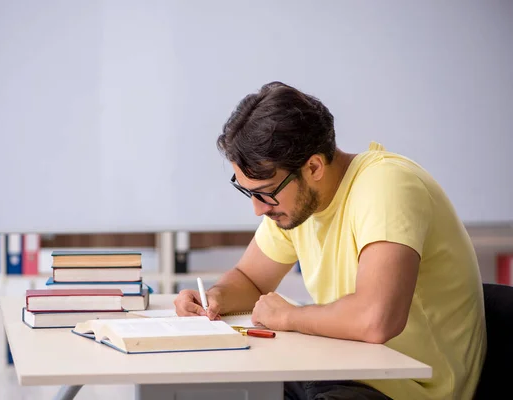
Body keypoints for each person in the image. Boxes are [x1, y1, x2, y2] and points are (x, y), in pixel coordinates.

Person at [173, 81, 486, 400]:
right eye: (248, 191)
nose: (257, 208)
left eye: (264, 193)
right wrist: (214, 298)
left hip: (398, 388)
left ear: (313, 167)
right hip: (333, 371)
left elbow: (376, 319)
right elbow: (250, 279)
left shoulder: (387, 186)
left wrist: (289, 316)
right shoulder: (294, 205)